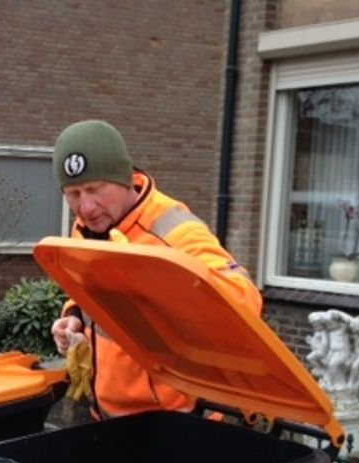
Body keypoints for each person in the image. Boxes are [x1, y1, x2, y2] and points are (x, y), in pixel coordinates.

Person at [49, 119, 263, 419]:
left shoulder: (173, 229)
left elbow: (244, 299)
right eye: (73, 194)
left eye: (94, 189)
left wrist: (161, 293)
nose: (86, 208)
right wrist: (73, 318)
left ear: (124, 179)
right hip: (107, 417)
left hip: (176, 425)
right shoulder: (85, 229)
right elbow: (88, 295)